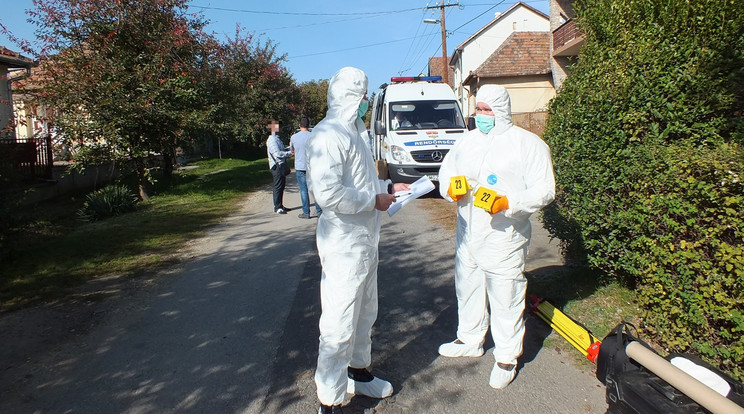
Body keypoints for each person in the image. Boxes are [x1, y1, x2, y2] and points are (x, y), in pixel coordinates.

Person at [437, 85, 555, 390]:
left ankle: (506, 357)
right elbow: (446, 174)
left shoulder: (527, 144)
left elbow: (545, 190)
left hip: (505, 234)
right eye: (479, 109)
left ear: (502, 111)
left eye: (488, 110)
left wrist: (509, 203)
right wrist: (451, 190)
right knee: (468, 286)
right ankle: (470, 338)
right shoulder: (466, 142)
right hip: (468, 232)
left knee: (506, 294)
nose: (482, 116)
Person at [306, 67, 410, 414]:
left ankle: (359, 372)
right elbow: (328, 194)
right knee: (338, 321)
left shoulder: (356, 132)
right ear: (350, 97)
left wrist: (390, 189)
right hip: (344, 244)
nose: (366, 102)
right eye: (363, 96)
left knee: (365, 312)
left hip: (365, 241)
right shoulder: (328, 136)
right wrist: (373, 201)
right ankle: (329, 399)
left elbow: (364, 182)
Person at [290, 116, 322, 219]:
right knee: (314, 189)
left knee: (303, 190)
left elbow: (292, 150)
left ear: (300, 125)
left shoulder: (294, 137)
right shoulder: (313, 136)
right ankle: (319, 211)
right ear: (309, 125)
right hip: (312, 166)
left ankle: (306, 212)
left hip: (300, 166)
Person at [266, 119, 292, 214]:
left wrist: (288, 149)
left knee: (281, 186)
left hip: (280, 165)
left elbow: (281, 149)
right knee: (278, 186)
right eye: (279, 127)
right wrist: (290, 153)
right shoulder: (272, 140)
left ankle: (280, 205)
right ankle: (277, 207)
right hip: (276, 166)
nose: (281, 128)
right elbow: (277, 153)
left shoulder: (277, 138)